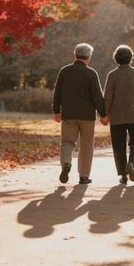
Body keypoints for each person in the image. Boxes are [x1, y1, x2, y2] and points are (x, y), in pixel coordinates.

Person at [52, 43, 107, 185]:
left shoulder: (65, 71)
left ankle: (66, 163)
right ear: (89, 57)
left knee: (67, 142)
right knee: (86, 145)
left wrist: (57, 111)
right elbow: (97, 96)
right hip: (87, 116)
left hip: (69, 114)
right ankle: (84, 176)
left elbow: (57, 92)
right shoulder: (91, 73)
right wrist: (103, 114)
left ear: (75, 55)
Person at [102, 45, 134, 184]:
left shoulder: (112, 75)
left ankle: (123, 175)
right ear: (130, 59)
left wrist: (105, 114)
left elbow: (108, 97)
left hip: (117, 117)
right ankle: (131, 163)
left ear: (116, 59)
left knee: (118, 146)